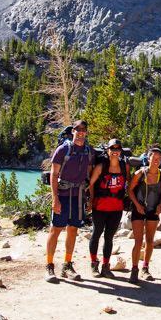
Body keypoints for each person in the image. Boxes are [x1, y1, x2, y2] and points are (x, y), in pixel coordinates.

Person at [45, 120, 93, 283]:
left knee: (73, 229)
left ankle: (67, 264)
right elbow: (53, 175)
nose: (80, 133)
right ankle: (49, 265)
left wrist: (90, 197)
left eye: (83, 130)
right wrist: (55, 198)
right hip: (63, 194)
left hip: (78, 196)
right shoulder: (63, 149)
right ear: (72, 131)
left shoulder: (87, 151)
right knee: (56, 229)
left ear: (86, 132)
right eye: (77, 130)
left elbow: (89, 173)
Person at [87, 138, 129, 278]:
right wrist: (90, 200)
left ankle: (106, 266)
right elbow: (91, 184)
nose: (115, 152)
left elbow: (127, 184)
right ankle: (94, 264)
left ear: (120, 151)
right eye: (112, 149)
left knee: (109, 237)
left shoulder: (124, 166)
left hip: (116, 208)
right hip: (100, 207)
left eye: (117, 149)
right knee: (96, 234)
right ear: (108, 150)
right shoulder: (101, 167)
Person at [128, 144, 161, 283]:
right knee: (138, 241)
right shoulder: (140, 173)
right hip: (139, 209)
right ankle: (134, 269)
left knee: (149, 241)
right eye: (153, 157)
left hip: (153, 210)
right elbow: (130, 190)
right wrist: (137, 205)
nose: (156, 160)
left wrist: (160, 204)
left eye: (158, 158)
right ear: (148, 158)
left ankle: (145, 268)